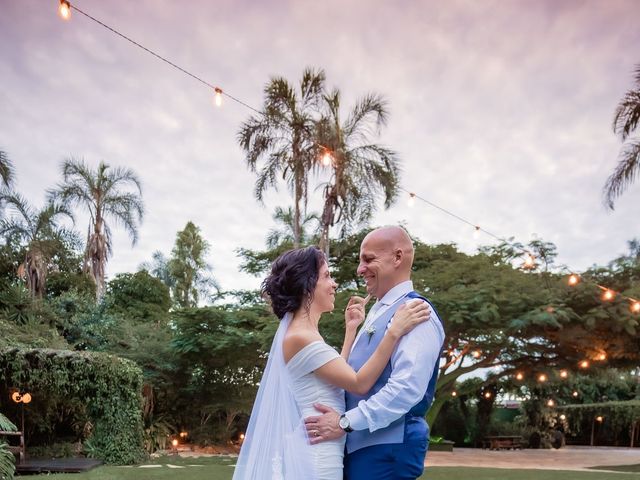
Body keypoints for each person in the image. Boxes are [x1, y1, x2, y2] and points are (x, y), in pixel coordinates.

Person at [233, 245, 431, 480]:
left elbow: (339, 374)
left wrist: (351, 330)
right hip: (318, 454)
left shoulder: (304, 333)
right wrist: (393, 332)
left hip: (324, 447)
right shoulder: (300, 336)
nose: (334, 284)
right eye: (327, 276)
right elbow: (358, 382)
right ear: (308, 285)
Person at [304, 226, 445, 480]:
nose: (360, 269)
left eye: (368, 259)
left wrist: (345, 422)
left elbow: (406, 389)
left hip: (388, 450)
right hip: (361, 448)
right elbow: (350, 374)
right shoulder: (379, 311)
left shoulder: (415, 312)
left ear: (398, 258)